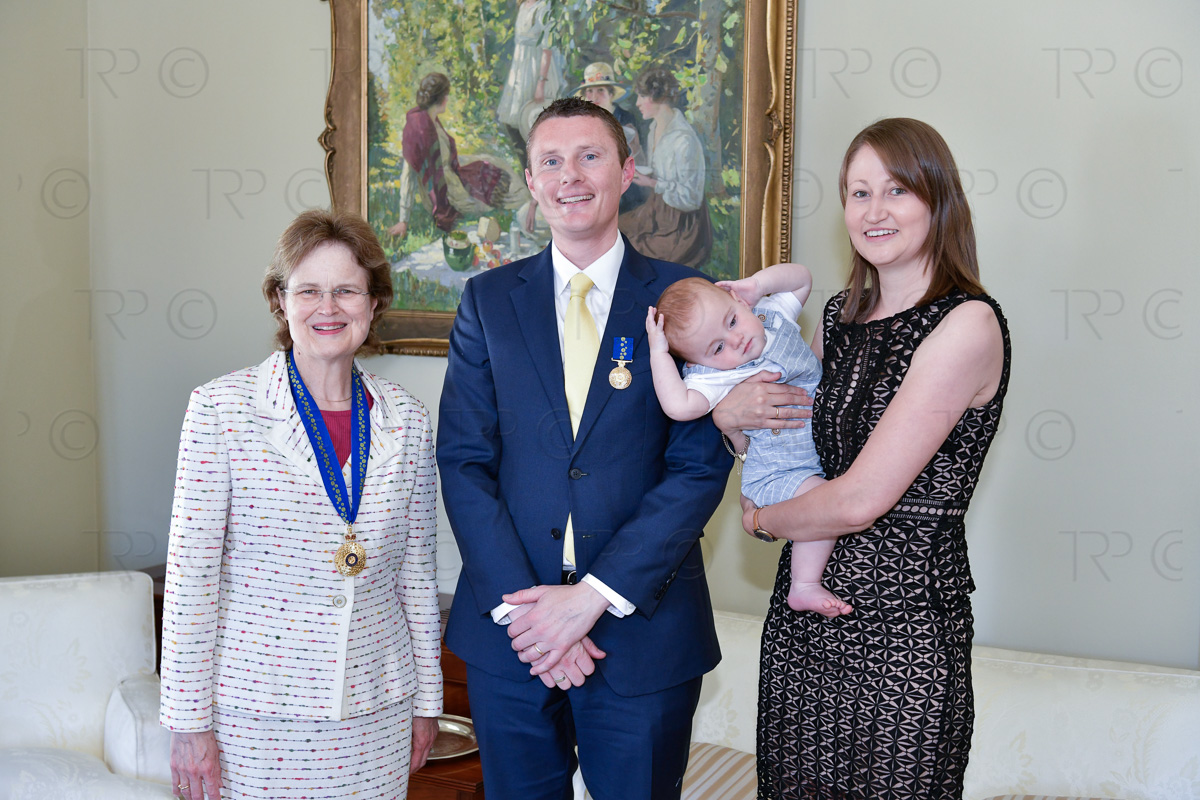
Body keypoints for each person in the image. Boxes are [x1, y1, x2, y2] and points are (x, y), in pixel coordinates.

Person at [436, 97, 731, 800]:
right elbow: (464, 461)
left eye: (590, 156)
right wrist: (532, 619)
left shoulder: (684, 298)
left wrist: (591, 599)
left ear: (626, 172)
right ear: (532, 184)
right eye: (551, 161)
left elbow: (698, 467)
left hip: (643, 634)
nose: (570, 175)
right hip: (513, 637)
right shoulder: (486, 301)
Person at [715, 118, 1010, 798]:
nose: (875, 211)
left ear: (938, 199)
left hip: (904, 637)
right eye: (858, 192)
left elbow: (858, 501)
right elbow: (786, 436)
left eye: (897, 190)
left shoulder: (966, 323)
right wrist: (732, 422)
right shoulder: (839, 317)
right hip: (803, 628)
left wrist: (759, 520)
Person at [160, 210, 442, 800]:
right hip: (255, 717)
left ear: (373, 303)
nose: (328, 307)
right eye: (308, 290)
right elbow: (191, 578)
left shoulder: (409, 419)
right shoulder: (221, 410)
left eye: (346, 291)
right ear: (280, 300)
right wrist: (187, 722)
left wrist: (427, 702)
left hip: (377, 710)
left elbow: (416, 575)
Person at [645, 263, 850, 617]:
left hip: (816, 455)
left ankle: (805, 584)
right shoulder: (713, 377)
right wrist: (658, 354)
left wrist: (756, 284)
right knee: (822, 503)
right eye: (717, 348)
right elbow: (678, 406)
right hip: (780, 470)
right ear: (700, 362)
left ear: (739, 302)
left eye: (732, 322)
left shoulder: (772, 314)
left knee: (824, 500)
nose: (736, 340)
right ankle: (804, 585)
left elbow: (803, 278)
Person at [388, 72, 527, 240]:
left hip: (449, 171)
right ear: (440, 98)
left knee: (494, 162)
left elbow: (445, 156)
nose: (448, 99)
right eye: (446, 95)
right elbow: (408, 175)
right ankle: (528, 204)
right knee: (499, 188)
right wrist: (403, 220)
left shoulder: (430, 119)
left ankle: (529, 201)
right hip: (445, 189)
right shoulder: (418, 129)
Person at [617, 65, 713, 269]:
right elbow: (654, 171)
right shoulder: (654, 127)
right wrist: (636, 149)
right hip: (656, 211)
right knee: (612, 230)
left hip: (681, 224)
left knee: (628, 249)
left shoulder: (683, 139)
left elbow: (691, 199)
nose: (637, 103)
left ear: (657, 97)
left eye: (642, 96)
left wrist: (652, 183)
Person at [496, 0, 565, 168]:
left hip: (536, 71)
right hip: (520, 70)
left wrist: (541, 83)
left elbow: (547, 50)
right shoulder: (523, 6)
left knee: (535, 121)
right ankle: (527, 169)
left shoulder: (544, 7)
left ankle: (542, 168)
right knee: (512, 121)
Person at [572, 61, 646, 213]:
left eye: (600, 90)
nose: (594, 96)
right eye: (590, 91)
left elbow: (636, 158)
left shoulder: (626, 119)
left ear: (611, 94)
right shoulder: (584, 122)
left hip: (625, 187)